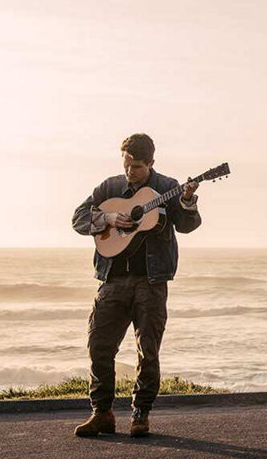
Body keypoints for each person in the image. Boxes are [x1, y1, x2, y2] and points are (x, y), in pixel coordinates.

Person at [70, 133, 201, 438]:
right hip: (112, 280)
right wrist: (108, 217)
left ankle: (140, 414)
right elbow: (78, 218)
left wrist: (187, 200)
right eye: (126, 164)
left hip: (150, 282)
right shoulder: (109, 187)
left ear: (151, 163)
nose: (130, 171)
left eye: (137, 166)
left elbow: (187, 225)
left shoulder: (168, 187)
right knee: (99, 345)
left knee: (148, 350)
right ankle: (101, 413)